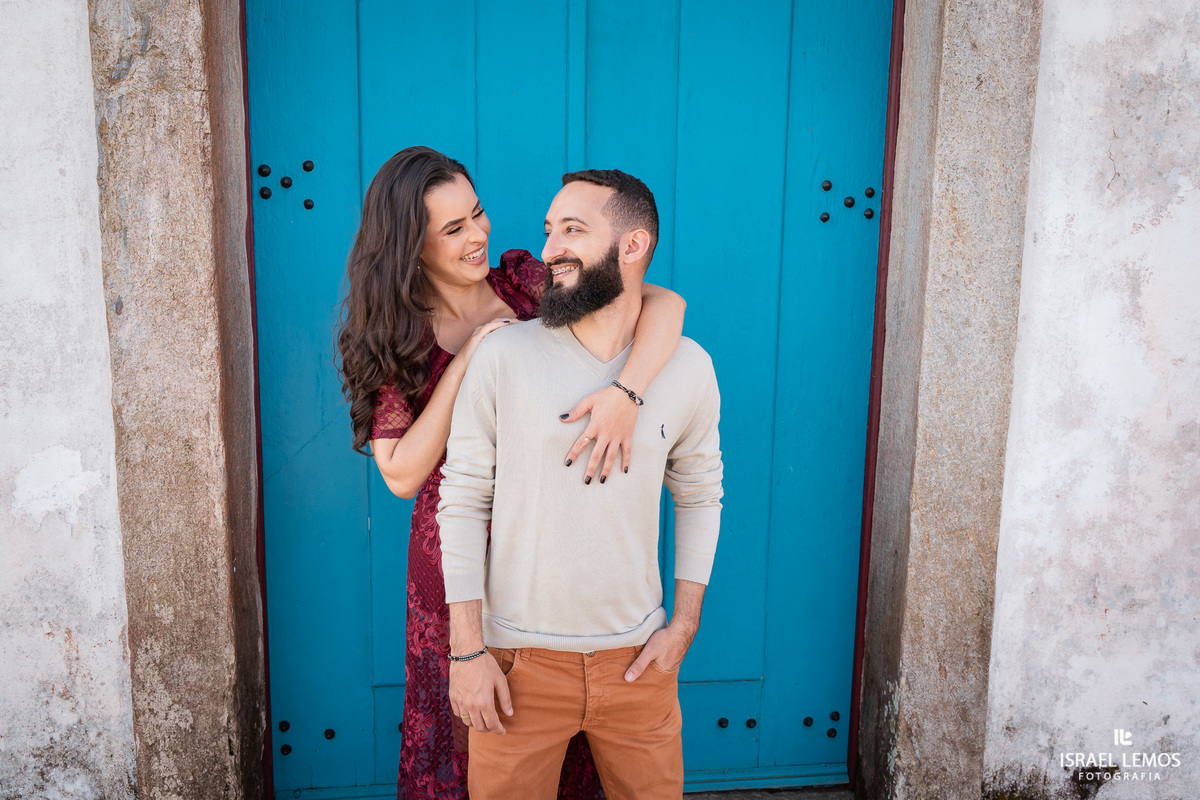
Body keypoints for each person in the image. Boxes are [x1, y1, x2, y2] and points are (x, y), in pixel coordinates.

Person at [335, 147, 687, 800]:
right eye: (453, 229)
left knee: (564, 728)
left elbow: (665, 304)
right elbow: (401, 473)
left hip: (554, 540)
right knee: (472, 731)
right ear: (411, 247)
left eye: (477, 213)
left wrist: (627, 392)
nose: (478, 236)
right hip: (457, 560)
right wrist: (474, 356)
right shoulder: (392, 335)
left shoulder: (526, 284)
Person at [437, 169, 723, 800]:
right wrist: (466, 651)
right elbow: (460, 503)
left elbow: (701, 491)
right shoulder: (503, 355)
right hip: (517, 667)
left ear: (632, 245)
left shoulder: (690, 366)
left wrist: (685, 625)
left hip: (639, 666)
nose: (548, 250)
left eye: (573, 229)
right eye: (548, 230)